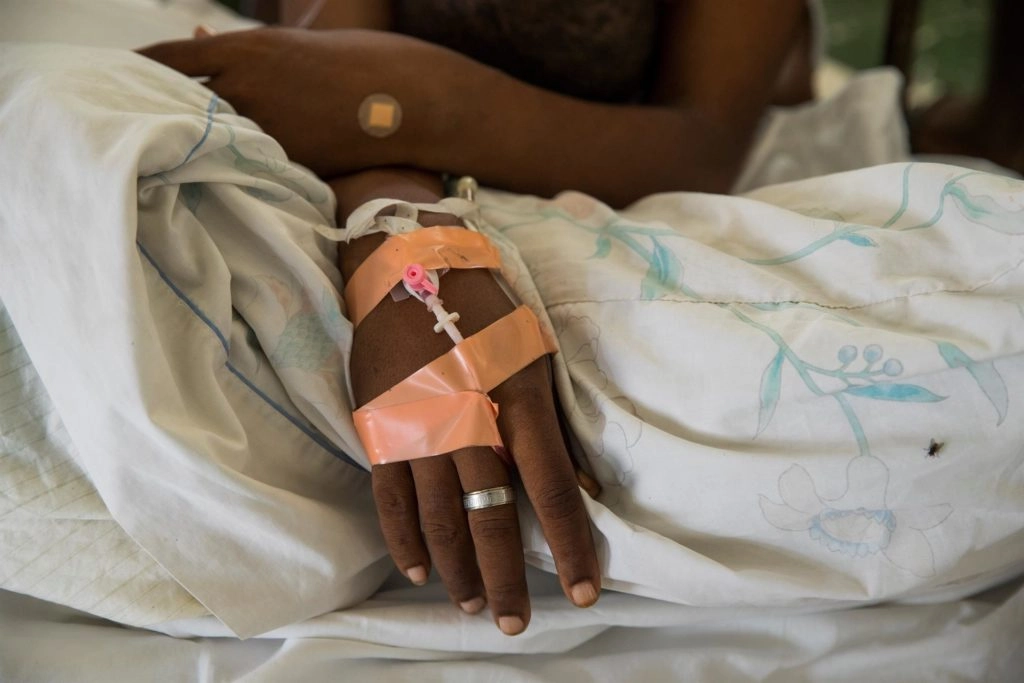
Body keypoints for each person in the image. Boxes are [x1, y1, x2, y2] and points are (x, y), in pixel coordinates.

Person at [137, 0, 817, 636]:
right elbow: (324, 81)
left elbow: (701, 144)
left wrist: (417, 98)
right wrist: (408, 239)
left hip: (610, 186)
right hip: (341, 169)